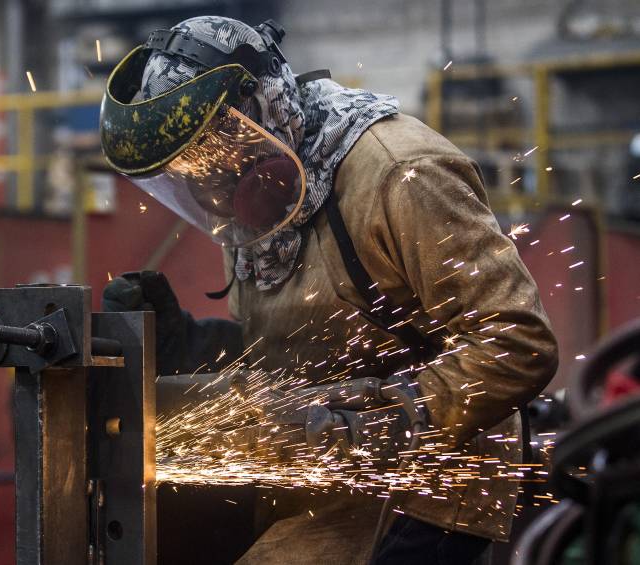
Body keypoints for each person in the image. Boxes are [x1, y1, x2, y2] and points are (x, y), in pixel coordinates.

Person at [100, 16, 558, 565]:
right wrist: (185, 344)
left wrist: (375, 426)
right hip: (320, 474)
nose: (207, 191)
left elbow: (517, 341)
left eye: (210, 162)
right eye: (188, 174)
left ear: (259, 111)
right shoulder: (255, 199)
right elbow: (311, 345)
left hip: (429, 482)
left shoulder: (401, 173)